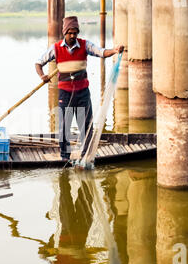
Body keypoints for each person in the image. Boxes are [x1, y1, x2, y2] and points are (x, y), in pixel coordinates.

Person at [35, 16, 124, 161]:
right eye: (69, 33)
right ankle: (65, 157)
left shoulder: (84, 45)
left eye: (75, 33)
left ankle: (86, 155)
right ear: (64, 33)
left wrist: (114, 51)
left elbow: (101, 52)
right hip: (65, 94)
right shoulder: (56, 48)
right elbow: (38, 63)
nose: (72, 36)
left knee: (85, 126)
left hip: (82, 94)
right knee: (65, 127)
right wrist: (42, 76)